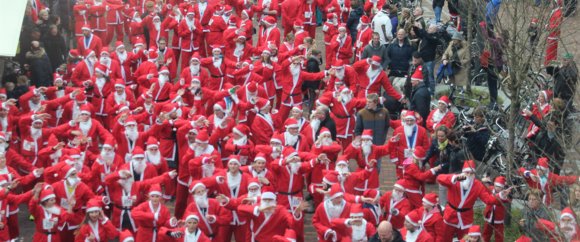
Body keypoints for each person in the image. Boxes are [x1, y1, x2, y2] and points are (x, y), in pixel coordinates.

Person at [437, 160, 510, 241]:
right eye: (467, 172)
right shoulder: (455, 179)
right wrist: (454, 178)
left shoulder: (477, 185)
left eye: (471, 173)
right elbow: (440, 178)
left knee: (466, 240)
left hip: (466, 218)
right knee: (444, 238)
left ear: (474, 174)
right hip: (450, 215)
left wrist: (500, 195)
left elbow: (488, 200)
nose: (469, 175)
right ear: (463, 172)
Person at [413, 24, 439, 96]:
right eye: (428, 28)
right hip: (422, 59)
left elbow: (428, 37)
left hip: (429, 60)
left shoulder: (435, 37)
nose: (428, 29)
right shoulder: (426, 35)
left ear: (435, 30)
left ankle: (431, 92)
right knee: (421, 74)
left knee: (429, 76)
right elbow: (419, 34)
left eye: (430, 28)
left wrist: (422, 29)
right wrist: (415, 27)